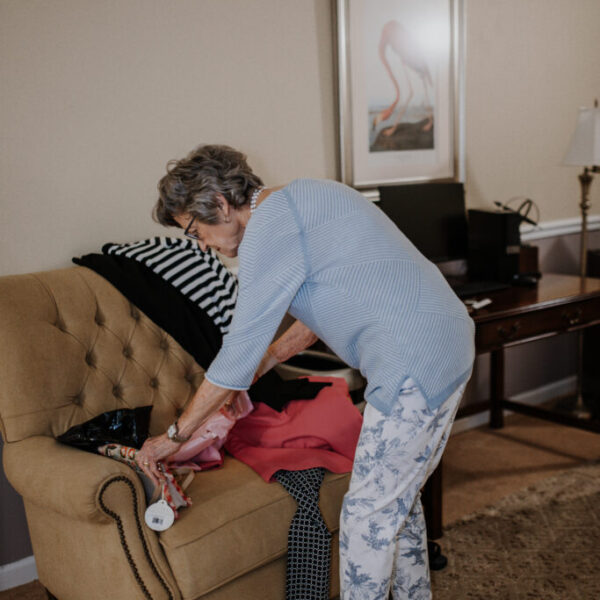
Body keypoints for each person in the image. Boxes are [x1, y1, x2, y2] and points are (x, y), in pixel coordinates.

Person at [135, 144, 475, 599]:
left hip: (411, 361)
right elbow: (314, 319)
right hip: (447, 341)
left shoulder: (267, 231)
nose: (202, 245)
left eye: (196, 232)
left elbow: (238, 348)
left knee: (366, 520)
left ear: (219, 202)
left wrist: (173, 437)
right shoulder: (307, 195)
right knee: (396, 505)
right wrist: (261, 369)